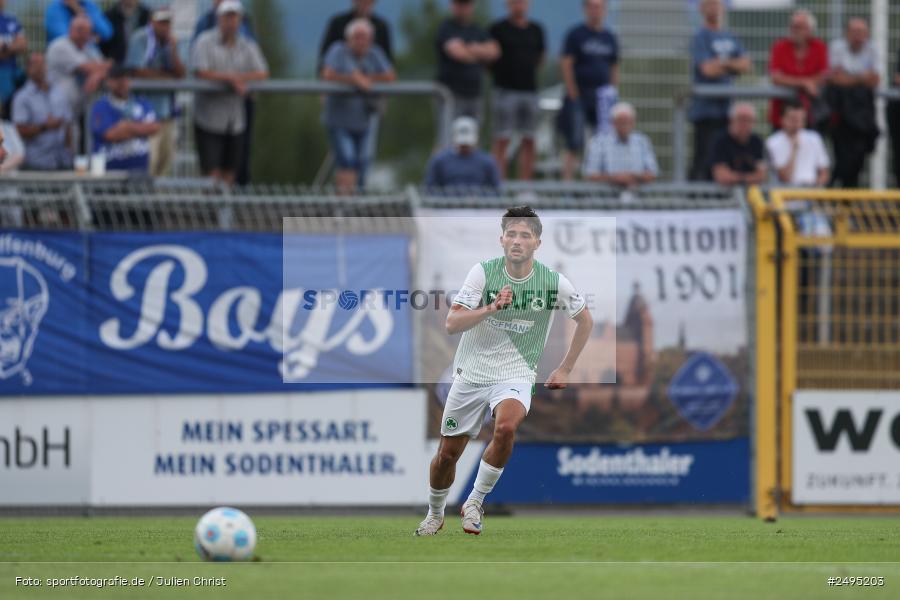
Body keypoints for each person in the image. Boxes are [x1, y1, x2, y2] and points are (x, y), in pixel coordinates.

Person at [415, 206, 593, 536]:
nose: (517, 240)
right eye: (511, 234)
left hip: (516, 372)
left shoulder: (553, 282)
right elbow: (452, 323)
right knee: (447, 456)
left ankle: (474, 502)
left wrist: (566, 368)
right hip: (471, 372)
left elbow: (585, 320)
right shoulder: (483, 273)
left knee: (506, 427)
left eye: (525, 235)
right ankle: (434, 514)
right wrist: (491, 307)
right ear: (502, 240)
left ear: (537, 243)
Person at [191, 0, 268, 185]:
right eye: (227, 17)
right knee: (211, 173)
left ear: (240, 20)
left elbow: (262, 72)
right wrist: (231, 79)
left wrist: (237, 79)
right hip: (208, 118)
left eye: (234, 18)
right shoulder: (204, 41)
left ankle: (225, 203)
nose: (231, 22)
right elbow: (200, 71)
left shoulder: (247, 44)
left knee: (230, 171)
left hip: (235, 119)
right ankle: (212, 203)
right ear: (219, 18)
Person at [321, 18, 395, 192]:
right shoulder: (338, 51)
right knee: (347, 160)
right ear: (348, 38)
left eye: (365, 37)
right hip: (339, 119)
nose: (361, 41)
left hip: (365, 120)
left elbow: (390, 76)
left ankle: (357, 200)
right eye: (357, 37)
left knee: (363, 162)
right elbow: (328, 74)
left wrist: (365, 79)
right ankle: (344, 202)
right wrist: (353, 80)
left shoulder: (375, 53)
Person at [688, 0, 751, 181]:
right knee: (703, 159)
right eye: (710, 4)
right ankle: (695, 194)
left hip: (727, 110)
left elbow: (746, 65)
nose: (714, 8)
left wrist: (721, 63)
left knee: (722, 160)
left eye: (717, 4)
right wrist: (732, 64)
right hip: (705, 112)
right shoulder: (700, 37)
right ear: (701, 9)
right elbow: (707, 70)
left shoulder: (730, 36)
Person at [559, 0, 619, 180]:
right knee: (574, 141)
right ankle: (567, 185)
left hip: (602, 99)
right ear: (585, 9)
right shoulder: (576, 35)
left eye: (599, 7)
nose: (596, 10)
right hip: (579, 96)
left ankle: (596, 183)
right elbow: (566, 63)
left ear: (605, 10)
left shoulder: (609, 37)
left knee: (603, 142)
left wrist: (612, 92)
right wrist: (572, 91)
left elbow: (614, 67)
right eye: (592, 6)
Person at [125, 7, 186, 177]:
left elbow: (181, 74)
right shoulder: (140, 38)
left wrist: (173, 50)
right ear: (152, 22)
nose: (164, 26)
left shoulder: (172, 42)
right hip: (145, 113)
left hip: (167, 111)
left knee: (166, 159)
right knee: (149, 160)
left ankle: (157, 193)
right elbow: (137, 71)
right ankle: (144, 193)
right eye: (161, 22)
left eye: (167, 22)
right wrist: (167, 78)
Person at [488, 0, 545, 181]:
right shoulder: (497, 29)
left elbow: (540, 58)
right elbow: (489, 61)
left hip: (530, 90)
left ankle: (525, 186)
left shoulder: (536, 29)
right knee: (501, 138)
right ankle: (498, 182)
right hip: (505, 91)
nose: (519, 5)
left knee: (529, 139)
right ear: (507, 4)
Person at [826, 18, 879, 188]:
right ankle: (834, 191)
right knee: (841, 157)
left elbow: (875, 80)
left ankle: (848, 197)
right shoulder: (837, 48)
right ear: (847, 33)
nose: (857, 36)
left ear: (867, 34)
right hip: (841, 113)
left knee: (857, 159)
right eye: (854, 32)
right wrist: (861, 78)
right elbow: (834, 78)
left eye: (861, 32)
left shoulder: (873, 49)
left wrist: (848, 78)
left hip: (862, 115)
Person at [46, 16, 111, 153]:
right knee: (55, 154)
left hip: (75, 113)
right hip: (54, 115)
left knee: (74, 153)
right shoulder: (60, 46)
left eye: (86, 31)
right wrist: (97, 71)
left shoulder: (89, 49)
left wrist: (97, 75)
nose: (83, 34)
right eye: (79, 30)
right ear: (70, 29)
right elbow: (87, 67)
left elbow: (109, 67)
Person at [436, 0, 500, 120]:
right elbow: (458, 53)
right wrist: (480, 53)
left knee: (473, 130)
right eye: (460, 4)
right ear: (453, 6)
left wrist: (468, 48)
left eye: (466, 4)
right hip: (451, 94)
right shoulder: (446, 28)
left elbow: (495, 51)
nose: (463, 8)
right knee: (450, 130)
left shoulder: (478, 29)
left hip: (474, 93)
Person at [90, 65, 159, 173]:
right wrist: (139, 128)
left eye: (126, 78)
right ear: (109, 82)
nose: (122, 83)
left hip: (138, 172)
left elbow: (153, 127)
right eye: (118, 79)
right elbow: (109, 134)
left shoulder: (142, 102)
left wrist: (126, 127)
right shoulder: (101, 106)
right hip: (110, 173)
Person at [768, 10, 829, 131]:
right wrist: (805, 83)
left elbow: (824, 76)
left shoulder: (819, 47)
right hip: (782, 113)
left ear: (810, 30)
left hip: (811, 114)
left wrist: (793, 81)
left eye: (799, 27)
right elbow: (776, 77)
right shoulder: (779, 46)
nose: (794, 30)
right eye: (792, 26)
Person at [12, 52, 73, 171]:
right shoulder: (22, 97)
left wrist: (69, 151)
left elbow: (68, 125)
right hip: (37, 163)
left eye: (43, 63)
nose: (40, 68)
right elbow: (19, 131)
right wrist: (44, 126)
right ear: (28, 69)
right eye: (36, 64)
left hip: (63, 161)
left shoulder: (59, 92)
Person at [583, 102, 658, 188]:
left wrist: (634, 177)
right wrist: (614, 179)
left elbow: (652, 173)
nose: (625, 126)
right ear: (613, 122)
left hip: (636, 194)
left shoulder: (642, 142)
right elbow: (590, 174)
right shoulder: (599, 143)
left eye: (628, 122)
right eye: (621, 122)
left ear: (633, 122)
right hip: (605, 195)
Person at [425, 116, 501, 190]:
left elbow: (496, 189)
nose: (464, 147)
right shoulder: (439, 161)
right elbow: (429, 188)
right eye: (462, 145)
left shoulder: (487, 162)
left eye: (467, 145)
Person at [766, 101, 830, 187]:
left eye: (801, 120)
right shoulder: (772, 142)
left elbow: (824, 172)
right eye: (793, 119)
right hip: (786, 193)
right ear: (782, 119)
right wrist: (794, 149)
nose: (797, 124)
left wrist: (815, 186)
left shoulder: (814, 138)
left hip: (812, 191)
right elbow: (785, 177)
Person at [318, 0, 393, 69]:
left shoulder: (381, 28)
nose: (360, 42)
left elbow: (388, 62)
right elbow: (325, 58)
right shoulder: (337, 24)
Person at [707, 102, 766, 187]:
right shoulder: (719, 141)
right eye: (741, 119)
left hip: (750, 194)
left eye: (748, 120)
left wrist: (737, 178)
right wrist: (750, 178)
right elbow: (722, 176)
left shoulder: (757, 142)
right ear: (731, 120)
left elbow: (762, 176)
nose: (745, 124)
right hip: (720, 194)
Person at [100, 0, 151, 65]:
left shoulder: (147, 16)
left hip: (142, 65)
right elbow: (103, 46)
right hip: (116, 66)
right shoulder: (108, 16)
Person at [0, 0, 26, 118]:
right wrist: (11, 48)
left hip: (13, 71)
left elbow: (22, 45)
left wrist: (4, 47)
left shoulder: (11, 20)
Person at [45, 0, 113, 44]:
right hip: (64, 53)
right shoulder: (55, 8)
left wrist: (79, 10)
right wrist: (93, 39)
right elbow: (66, 38)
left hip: (88, 52)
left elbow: (106, 32)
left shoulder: (88, 5)